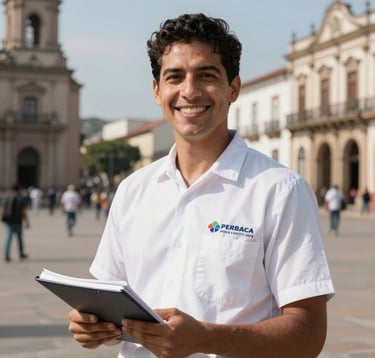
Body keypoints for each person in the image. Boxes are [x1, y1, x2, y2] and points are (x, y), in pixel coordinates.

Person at [68, 13, 335, 357]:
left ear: (233, 88)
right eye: (174, 77)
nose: (189, 91)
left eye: (206, 75)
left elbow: (308, 333)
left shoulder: (280, 191)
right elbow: (107, 298)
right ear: (157, 90)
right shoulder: (134, 191)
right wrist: (90, 324)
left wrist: (206, 338)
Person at [0, 184, 30, 262]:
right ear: (19, 190)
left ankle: (7, 255)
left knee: (8, 239)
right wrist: (26, 222)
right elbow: (23, 212)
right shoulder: (21, 199)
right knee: (19, 239)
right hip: (18, 222)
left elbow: (2, 209)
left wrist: (2, 218)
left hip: (9, 222)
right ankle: (21, 253)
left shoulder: (6, 198)